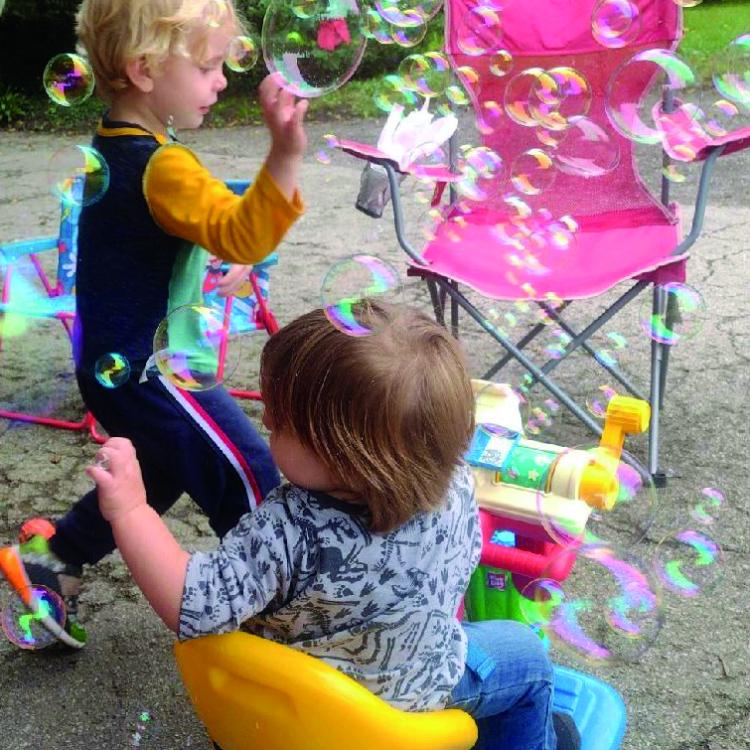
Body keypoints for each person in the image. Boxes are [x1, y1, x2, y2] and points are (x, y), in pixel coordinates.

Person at [86, 303, 577, 750]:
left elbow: (190, 602)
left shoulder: (284, 530)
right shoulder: (456, 482)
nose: (265, 422)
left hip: (290, 708)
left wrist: (131, 510)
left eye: (278, 424)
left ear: (346, 457)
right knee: (528, 659)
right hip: (406, 704)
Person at [0, 0, 308, 646]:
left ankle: (52, 561)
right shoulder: (166, 165)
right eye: (207, 66)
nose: (222, 81)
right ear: (144, 68)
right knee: (245, 468)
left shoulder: (120, 140)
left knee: (159, 473)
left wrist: (208, 252)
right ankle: (279, 607)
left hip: (111, 362)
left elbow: (153, 237)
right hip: (147, 369)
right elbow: (238, 226)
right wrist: (283, 154)